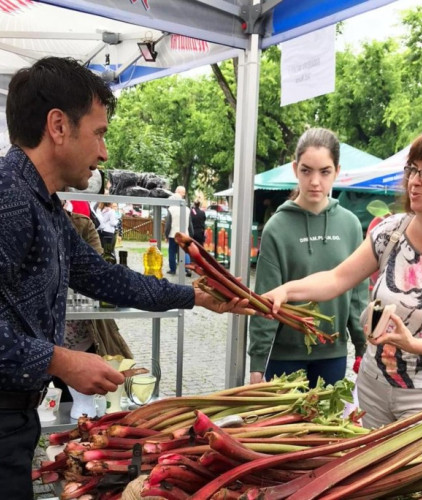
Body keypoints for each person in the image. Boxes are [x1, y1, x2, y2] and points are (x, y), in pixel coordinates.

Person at [0, 56, 251, 499]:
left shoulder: (42, 204)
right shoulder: (11, 203)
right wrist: (61, 361)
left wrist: (193, 296)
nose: (104, 153)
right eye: (98, 133)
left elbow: (103, 276)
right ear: (58, 126)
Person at [263, 125, 422, 429]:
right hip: (373, 386)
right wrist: (286, 290)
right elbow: (336, 279)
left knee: (412, 476)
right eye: (413, 169)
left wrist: (413, 344)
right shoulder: (392, 231)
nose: (414, 181)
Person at [248, 128, 369, 388]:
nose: (315, 181)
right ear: (295, 169)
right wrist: (257, 364)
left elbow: (358, 293)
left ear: (337, 171)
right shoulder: (276, 227)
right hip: (284, 356)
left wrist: (362, 345)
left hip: (333, 354)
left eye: (324, 172)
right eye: (306, 170)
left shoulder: (350, 225)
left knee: (325, 428)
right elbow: (266, 298)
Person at [53, 204, 134, 402]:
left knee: (85, 397)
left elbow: (98, 272)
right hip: (45, 336)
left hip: (83, 328)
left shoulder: (81, 223)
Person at [165, 185, 194, 277]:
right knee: (185, 252)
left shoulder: (170, 209)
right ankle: (188, 269)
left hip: (173, 234)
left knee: (172, 252)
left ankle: (173, 269)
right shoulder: (187, 209)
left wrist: (166, 235)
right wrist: (191, 235)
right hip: (185, 234)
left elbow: (168, 224)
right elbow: (190, 224)